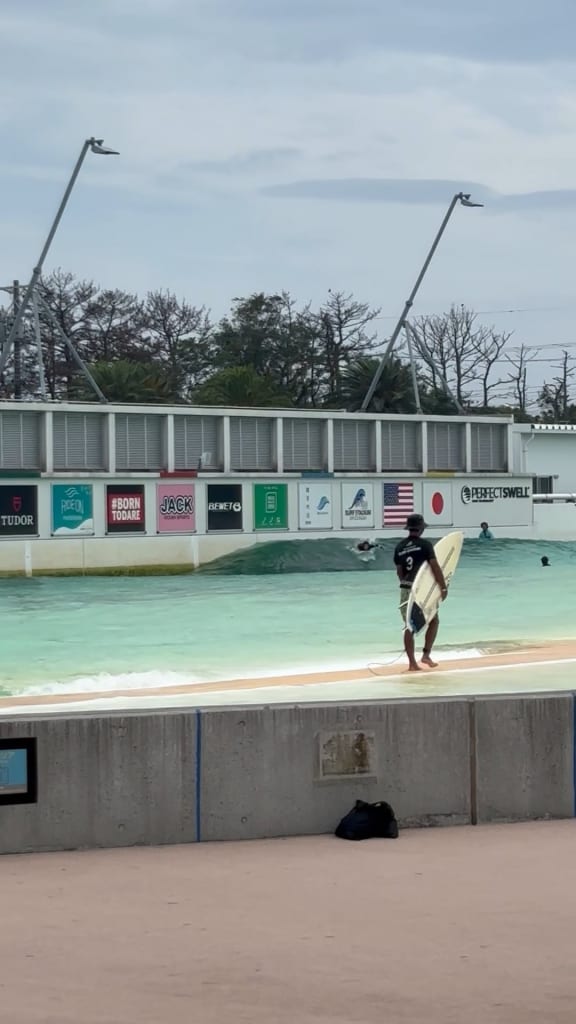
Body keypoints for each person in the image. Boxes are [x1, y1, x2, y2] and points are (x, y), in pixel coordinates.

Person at [394, 513, 448, 672]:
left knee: (408, 625)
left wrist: (406, 584)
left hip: (406, 589)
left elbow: (399, 571)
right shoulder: (425, 545)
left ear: (409, 528)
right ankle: (426, 655)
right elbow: (434, 567)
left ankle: (412, 663)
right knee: (434, 620)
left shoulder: (399, 547)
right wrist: (443, 587)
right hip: (421, 589)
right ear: (421, 528)